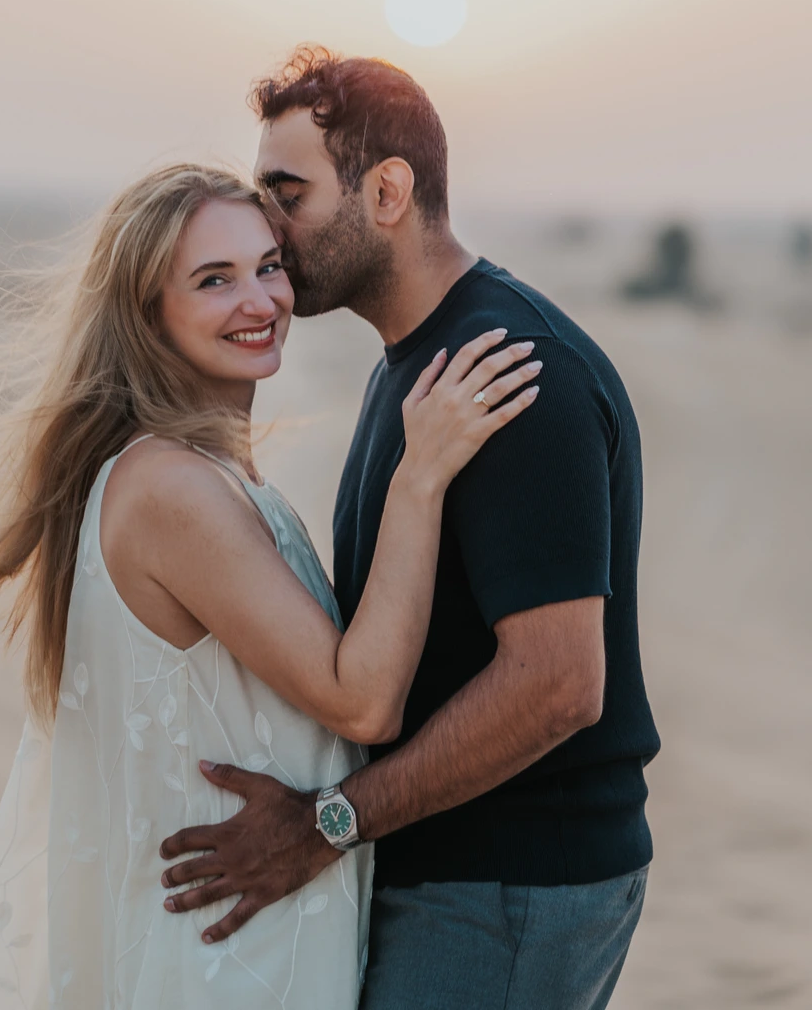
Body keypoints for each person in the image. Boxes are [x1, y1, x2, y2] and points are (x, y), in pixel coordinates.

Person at [0, 164, 540, 1008]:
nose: (259, 300)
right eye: (214, 280)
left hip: (263, 942)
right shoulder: (167, 488)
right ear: (149, 313)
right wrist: (419, 475)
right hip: (226, 963)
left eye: (268, 266)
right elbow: (361, 702)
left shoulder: (211, 475)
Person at [157, 49, 660, 1010]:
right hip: (453, 873)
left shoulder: (513, 374)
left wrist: (327, 823)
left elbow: (558, 683)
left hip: (511, 886)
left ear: (387, 190)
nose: (270, 224)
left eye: (288, 193)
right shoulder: (414, 363)